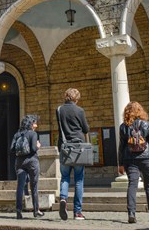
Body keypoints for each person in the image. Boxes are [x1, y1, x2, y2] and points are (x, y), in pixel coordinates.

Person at [118, 101, 149, 224]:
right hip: (147, 158)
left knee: (132, 185)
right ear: (140, 111)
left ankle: (131, 213)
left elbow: (121, 146)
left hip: (130, 159)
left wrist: (120, 163)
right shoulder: (147, 124)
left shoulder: (123, 126)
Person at [56, 88, 89, 221]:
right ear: (76, 98)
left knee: (64, 177)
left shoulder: (59, 110)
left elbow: (60, 128)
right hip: (78, 149)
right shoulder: (79, 110)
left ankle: (63, 198)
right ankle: (77, 212)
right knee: (79, 180)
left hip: (64, 147)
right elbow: (85, 129)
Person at [10, 114, 43, 219]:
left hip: (19, 162)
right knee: (34, 186)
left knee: (20, 187)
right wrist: (38, 146)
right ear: (31, 124)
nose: (36, 125)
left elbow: (11, 149)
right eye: (35, 123)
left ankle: (18, 211)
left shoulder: (17, 134)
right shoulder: (33, 134)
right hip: (32, 161)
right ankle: (36, 210)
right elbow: (33, 149)